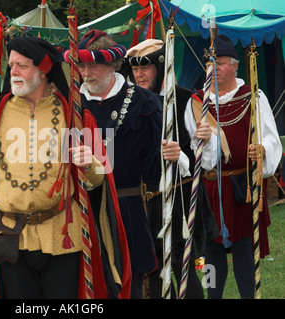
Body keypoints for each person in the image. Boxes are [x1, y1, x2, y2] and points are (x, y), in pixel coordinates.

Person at [0, 36, 132, 299]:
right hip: (10, 237)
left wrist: (90, 163)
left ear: (43, 70)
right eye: (11, 65)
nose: (14, 72)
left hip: (64, 237)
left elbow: (101, 179)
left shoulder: (76, 114)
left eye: (22, 65)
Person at [64, 29, 179, 299]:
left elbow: (161, 170)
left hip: (132, 210)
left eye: (93, 64)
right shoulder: (69, 107)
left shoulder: (146, 103)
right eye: (81, 65)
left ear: (112, 64)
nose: (86, 71)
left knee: (131, 286)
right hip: (83, 209)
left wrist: (173, 155)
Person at [124, 39, 219, 299]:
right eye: (135, 69)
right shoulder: (130, 102)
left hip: (179, 198)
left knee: (182, 268)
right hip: (146, 201)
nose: (139, 74)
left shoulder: (186, 99)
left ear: (161, 66)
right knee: (153, 270)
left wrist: (188, 152)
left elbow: (208, 158)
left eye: (145, 67)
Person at [198, 34, 282, 299]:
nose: (214, 69)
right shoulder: (199, 101)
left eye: (220, 63)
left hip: (242, 187)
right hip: (210, 187)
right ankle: (213, 296)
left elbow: (270, 136)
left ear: (235, 65)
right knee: (211, 252)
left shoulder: (252, 96)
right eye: (210, 63)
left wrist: (263, 149)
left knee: (245, 248)